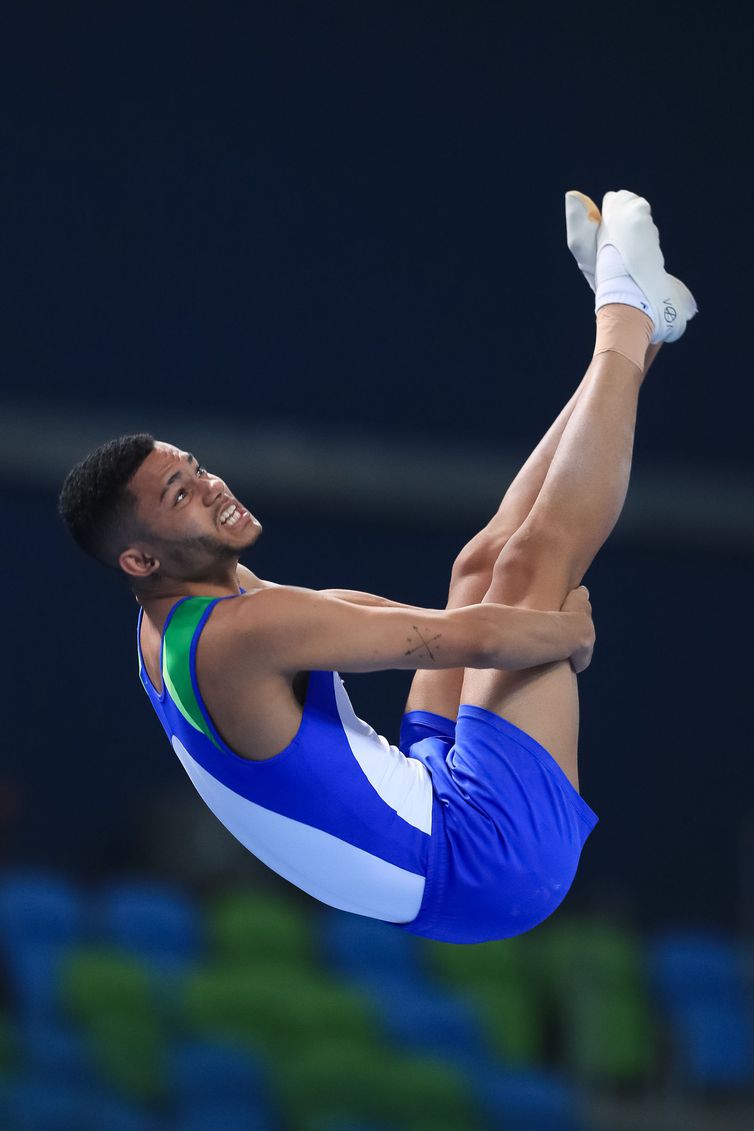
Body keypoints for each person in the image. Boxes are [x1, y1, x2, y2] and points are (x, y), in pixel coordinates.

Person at [58, 189, 696, 944]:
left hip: (433, 797)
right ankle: (624, 315)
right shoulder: (234, 636)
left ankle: (640, 328)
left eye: (196, 468)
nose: (212, 488)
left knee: (480, 564)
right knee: (530, 567)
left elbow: (359, 618)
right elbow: (467, 641)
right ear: (139, 555)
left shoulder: (164, 613)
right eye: (181, 494)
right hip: (484, 864)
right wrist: (561, 634)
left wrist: (523, 629)